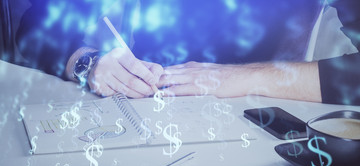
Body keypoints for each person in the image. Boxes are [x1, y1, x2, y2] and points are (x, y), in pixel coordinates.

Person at [15, 0, 360, 105]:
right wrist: (88, 63)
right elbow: (38, 23)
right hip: (148, 105)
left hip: (264, 118)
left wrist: (242, 77)